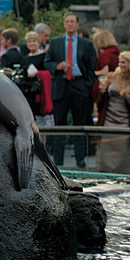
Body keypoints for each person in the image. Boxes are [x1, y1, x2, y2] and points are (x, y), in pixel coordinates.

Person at [44, 12, 96, 167]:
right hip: (61, 84)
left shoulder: (86, 44)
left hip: (79, 84)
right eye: (67, 21)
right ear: (64, 24)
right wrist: (57, 66)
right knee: (59, 123)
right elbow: (47, 62)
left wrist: (88, 85)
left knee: (79, 123)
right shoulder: (56, 42)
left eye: (72, 21)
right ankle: (58, 160)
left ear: (77, 24)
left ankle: (80, 158)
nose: (69, 24)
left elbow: (92, 66)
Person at [96, 51, 130, 172]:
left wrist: (127, 97)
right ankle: (103, 174)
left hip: (124, 120)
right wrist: (102, 91)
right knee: (105, 148)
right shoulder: (112, 76)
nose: (120, 64)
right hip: (108, 118)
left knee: (122, 149)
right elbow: (101, 99)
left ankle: (122, 175)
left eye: (123, 62)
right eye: (119, 62)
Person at [92, 30, 120, 103]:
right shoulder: (117, 52)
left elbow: (104, 72)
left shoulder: (104, 55)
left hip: (106, 87)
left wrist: (92, 73)